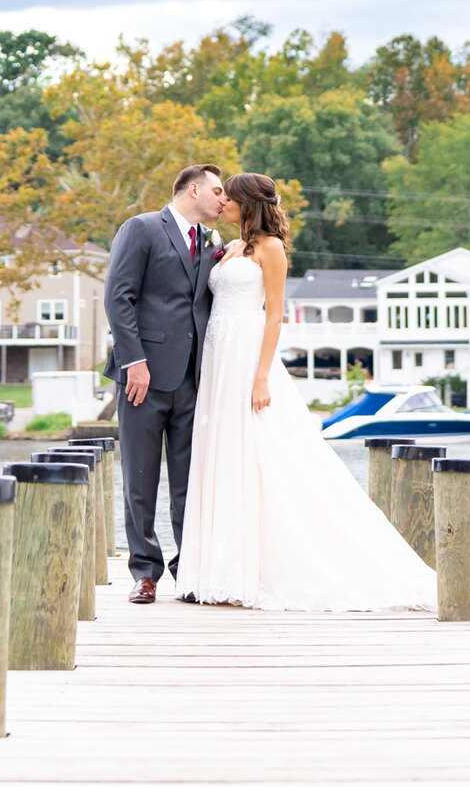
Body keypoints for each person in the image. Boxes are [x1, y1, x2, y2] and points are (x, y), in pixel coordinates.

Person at [175, 172, 433, 610]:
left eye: (229, 198)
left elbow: (274, 317)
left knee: (259, 454)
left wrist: (261, 376)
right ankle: (219, 569)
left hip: (247, 357)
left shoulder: (271, 249)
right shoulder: (232, 247)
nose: (223, 203)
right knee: (223, 453)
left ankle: (261, 569)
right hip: (218, 359)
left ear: (247, 204)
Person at [103, 162, 226, 604]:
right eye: (217, 191)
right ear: (193, 190)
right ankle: (145, 572)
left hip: (194, 378)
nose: (223, 200)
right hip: (144, 376)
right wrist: (133, 359)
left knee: (189, 481)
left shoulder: (214, 242)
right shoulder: (140, 229)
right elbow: (118, 296)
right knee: (139, 476)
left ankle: (187, 570)